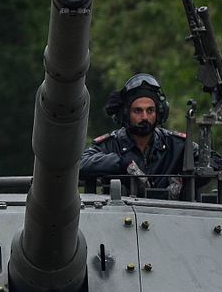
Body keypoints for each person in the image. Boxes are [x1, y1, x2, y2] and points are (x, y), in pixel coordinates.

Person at [79, 72, 208, 199]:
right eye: (138, 111)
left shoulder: (176, 145)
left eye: (150, 110)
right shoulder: (111, 144)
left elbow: (211, 161)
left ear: (159, 113)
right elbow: (80, 164)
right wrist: (122, 164)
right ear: (125, 114)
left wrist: (184, 182)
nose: (145, 117)